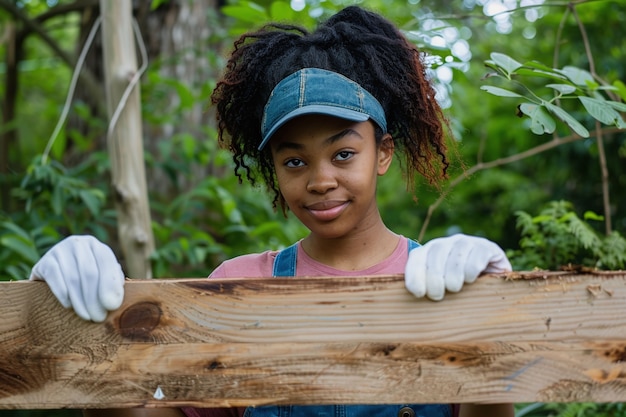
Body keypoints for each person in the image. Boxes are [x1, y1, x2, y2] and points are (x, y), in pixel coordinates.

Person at [30, 5, 514, 417]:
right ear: (274, 171)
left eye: (343, 154)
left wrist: (489, 312)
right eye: (295, 160)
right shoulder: (235, 285)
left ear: (383, 152)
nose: (321, 179)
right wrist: (82, 321)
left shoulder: (444, 280)